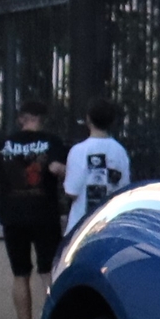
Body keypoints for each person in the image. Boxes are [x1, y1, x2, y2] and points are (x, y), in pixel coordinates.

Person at [0, 98, 67, 319]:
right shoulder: (52, 141)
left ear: (22, 118)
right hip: (44, 214)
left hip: (13, 216)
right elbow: (58, 169)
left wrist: (2, 200)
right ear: (42, 118)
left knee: (20, 274)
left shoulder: (3, 145)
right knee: (48, 272)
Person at [62, 98, 133, 239]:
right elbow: (125, 189)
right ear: (112, 121)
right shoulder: (120, 151)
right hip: (111, 224)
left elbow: (72, 191)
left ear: (88, 119)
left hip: (81, 225)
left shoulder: (78, 150)